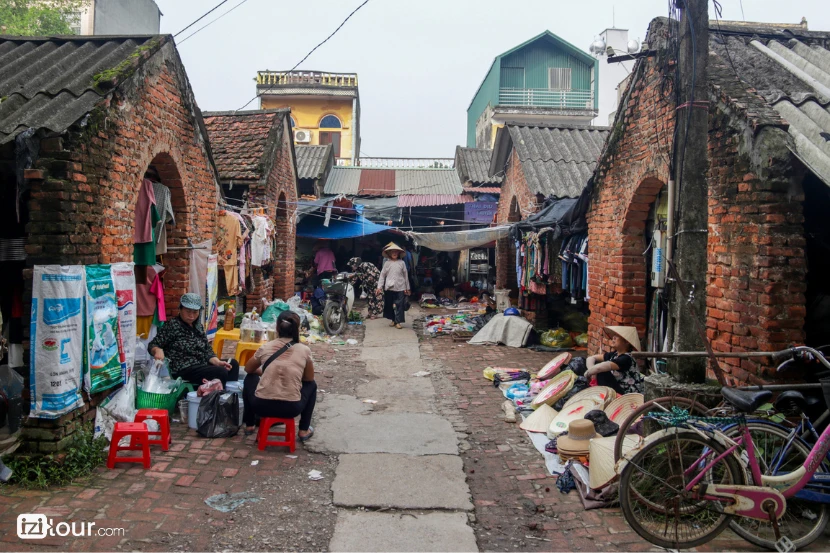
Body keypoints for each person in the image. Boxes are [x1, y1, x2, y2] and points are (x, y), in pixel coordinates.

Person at [242, 311, 316, 441]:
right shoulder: (304, 350)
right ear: (297, 329)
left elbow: (248, 369)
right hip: (291, 408)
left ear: (277, 328)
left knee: (250, 378)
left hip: (261, 406)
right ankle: (304, 430)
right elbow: (308, 379)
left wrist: (267, 371)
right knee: (312, 385)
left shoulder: (266, 347)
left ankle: (249, 425)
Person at [149, 293, 239, 387]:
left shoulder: (198, 326)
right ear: (180, 309)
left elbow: (207, 350)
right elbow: (153, 344)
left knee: (232, 364)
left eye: (195, 312)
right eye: (188, 311)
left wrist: (218, 362)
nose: (191, 316)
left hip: (201, 364)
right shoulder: (172, 325)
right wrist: (157, 350)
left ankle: (230, 392)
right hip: (183, 369)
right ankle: (217, 397)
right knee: (221, 372)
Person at [584, 326, 644, 395]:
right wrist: (591, 371)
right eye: (614, 335)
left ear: (626, 342)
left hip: (626, 393)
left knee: (601, 371)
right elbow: (591, 358)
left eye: (617, 336)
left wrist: (588, 373)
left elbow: (601, 367)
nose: (613, 338)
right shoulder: (614, 354)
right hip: (616, 387)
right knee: (587, 363)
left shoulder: (626, 358)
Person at [377, 242, 410, 329]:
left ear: (399, 253)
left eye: (396, 252)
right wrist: (379, 287)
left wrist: (407, 288)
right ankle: (393, 320)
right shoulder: (387, 263)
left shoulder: (402, 263)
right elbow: (382, 275)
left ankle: (398, 322)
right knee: (389, 304)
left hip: (400, 287)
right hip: (389, 287)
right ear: (389, 253)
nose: (394, 253)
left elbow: (406, 276)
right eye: (392, 252)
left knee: (400, 305)